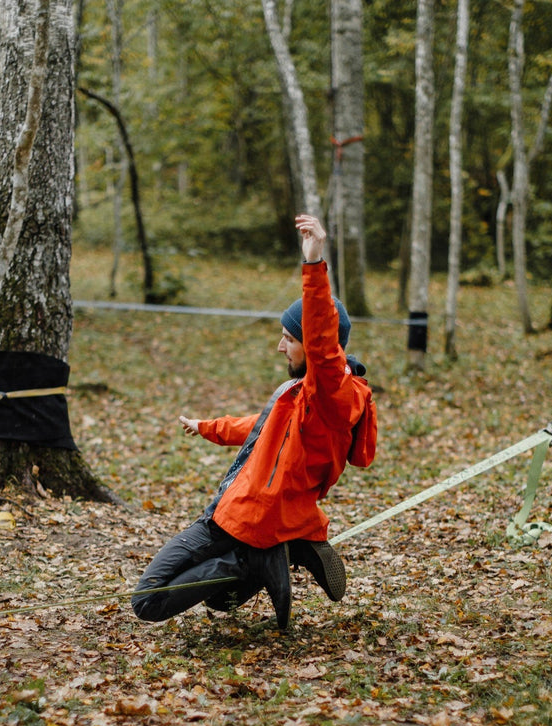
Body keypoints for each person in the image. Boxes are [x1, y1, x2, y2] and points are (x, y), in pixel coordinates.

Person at [131, 214, 375, 629]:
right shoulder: (299, 394)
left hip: (253, 522)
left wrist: (314, 265)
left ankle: (255, 562)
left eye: (289, 338)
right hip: (229, 511)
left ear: (314, 347)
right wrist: (207, 427)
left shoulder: (333, 396)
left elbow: (322, 342)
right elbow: (261, 429)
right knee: (190, 600)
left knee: (148, 603)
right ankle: (279, 551)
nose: (281, 347)